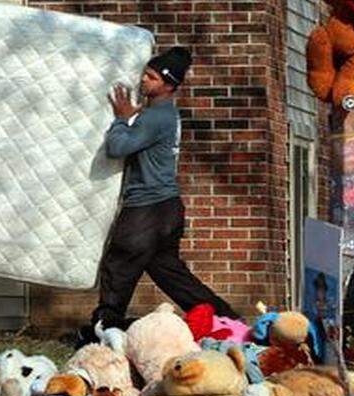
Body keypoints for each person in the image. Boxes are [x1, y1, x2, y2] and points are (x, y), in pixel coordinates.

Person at [82, 46, 238, 342]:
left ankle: (102, 331)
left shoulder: (155, 117)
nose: (143, 81)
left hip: (146, 209)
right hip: (167, 208)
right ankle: (229, 323)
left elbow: (118, 148)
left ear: (169, 85)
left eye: (152, 77)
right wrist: (133, 118)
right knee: (170, 273)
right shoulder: (164, 114)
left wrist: (120, 119)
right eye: (145, 74)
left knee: (119, 266)